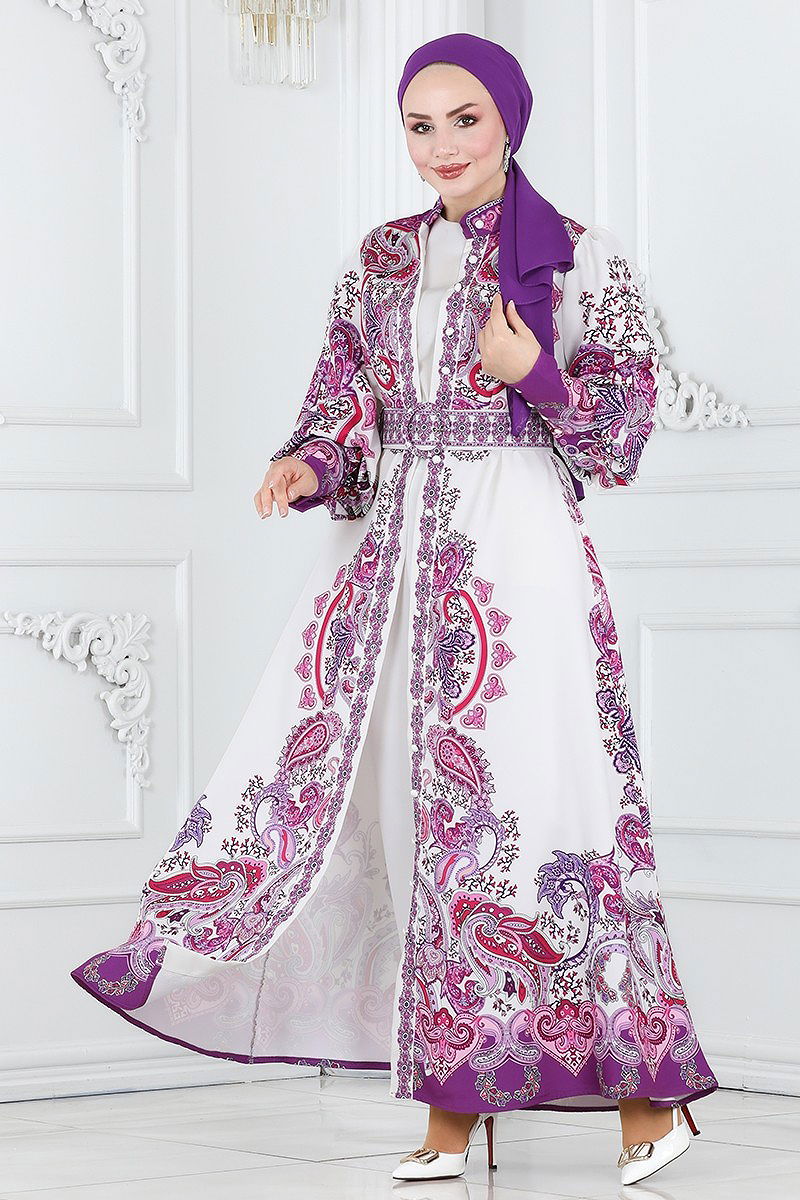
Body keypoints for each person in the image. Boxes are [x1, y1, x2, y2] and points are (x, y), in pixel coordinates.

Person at [70, 31, 719, 1189]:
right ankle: (451, 1113)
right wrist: (307, 465)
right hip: (396, 568)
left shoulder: (577, 258)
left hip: (518, 565)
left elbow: (619, 433)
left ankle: (647, 1104)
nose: (440, 147)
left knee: (543, 816)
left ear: (508, 121)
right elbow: (343, 405)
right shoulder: (379, 258)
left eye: (463, 120)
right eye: (419, 126)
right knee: (422, 820)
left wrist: (534, 376)